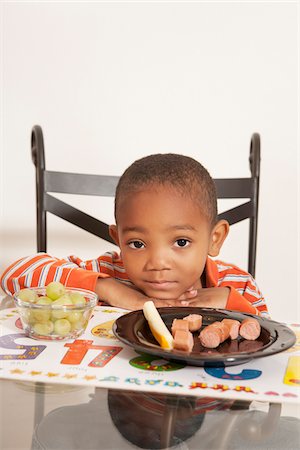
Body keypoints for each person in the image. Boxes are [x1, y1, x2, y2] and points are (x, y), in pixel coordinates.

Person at [0, 153, 268, 316]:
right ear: (118, 240)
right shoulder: (111, 270)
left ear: (215, 238)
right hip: (114, 405)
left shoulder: (238, 285)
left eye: (181, 242)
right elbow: (14, 274)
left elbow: (276, 343)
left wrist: (232, 303)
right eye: (137, 243)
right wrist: (110, 290)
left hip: (212, 406)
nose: (158, 263)